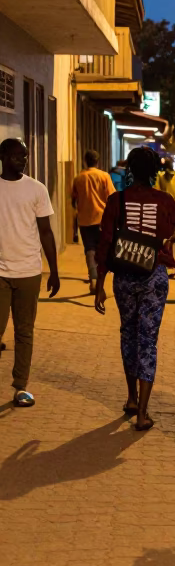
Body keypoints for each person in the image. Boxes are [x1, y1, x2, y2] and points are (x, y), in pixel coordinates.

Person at [95, 147, 175, 431]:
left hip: (123, 277)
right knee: (147, 340)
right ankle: (143, 414)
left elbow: (105, 244)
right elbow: (173, 230)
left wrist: (99, 285)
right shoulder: (165, 200)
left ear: (130, 169)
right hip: (154, 276)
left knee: (128, 335)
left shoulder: (117, 200)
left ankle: (131, 398)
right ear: (155, 170)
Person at [0, 137, 60, 406]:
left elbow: (46, 233)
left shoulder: (36, 189)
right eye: (16, 156)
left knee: (24, 332)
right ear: (3, 157)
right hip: (0, 273)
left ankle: (20, 386)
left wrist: (54, 271)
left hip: (28, 272)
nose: (22, 160)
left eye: (24, 156)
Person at [71, 149, 115, 295]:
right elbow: (112, 197)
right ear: (98, 161)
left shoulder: (79, 178)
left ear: (85, 161)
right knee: (103, 250)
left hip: (84, 220)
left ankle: (93, 278)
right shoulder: (104, 176)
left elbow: (73, 199)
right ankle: (100, 280)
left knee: (89, 249)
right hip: (102, 219)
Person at [156, 157, 175, 237]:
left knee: (168, 217)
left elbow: (158, 188)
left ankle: (169, 233)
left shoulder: (160, 175)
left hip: (167, 199)